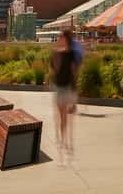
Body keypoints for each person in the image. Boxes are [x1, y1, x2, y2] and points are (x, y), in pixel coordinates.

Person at [51, 29, 80, 162]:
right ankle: (61, 137)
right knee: (60, 114)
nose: (59, 39)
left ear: (67, 39)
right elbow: (55, 69)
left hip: (68, 87)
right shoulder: (57, 53)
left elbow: (74, 72)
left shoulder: (72, 54)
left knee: (65, 116)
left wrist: (75, 92)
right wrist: (57, 53)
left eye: (61, 37)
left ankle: (64, 139)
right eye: (59, 37)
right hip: (59, 86)